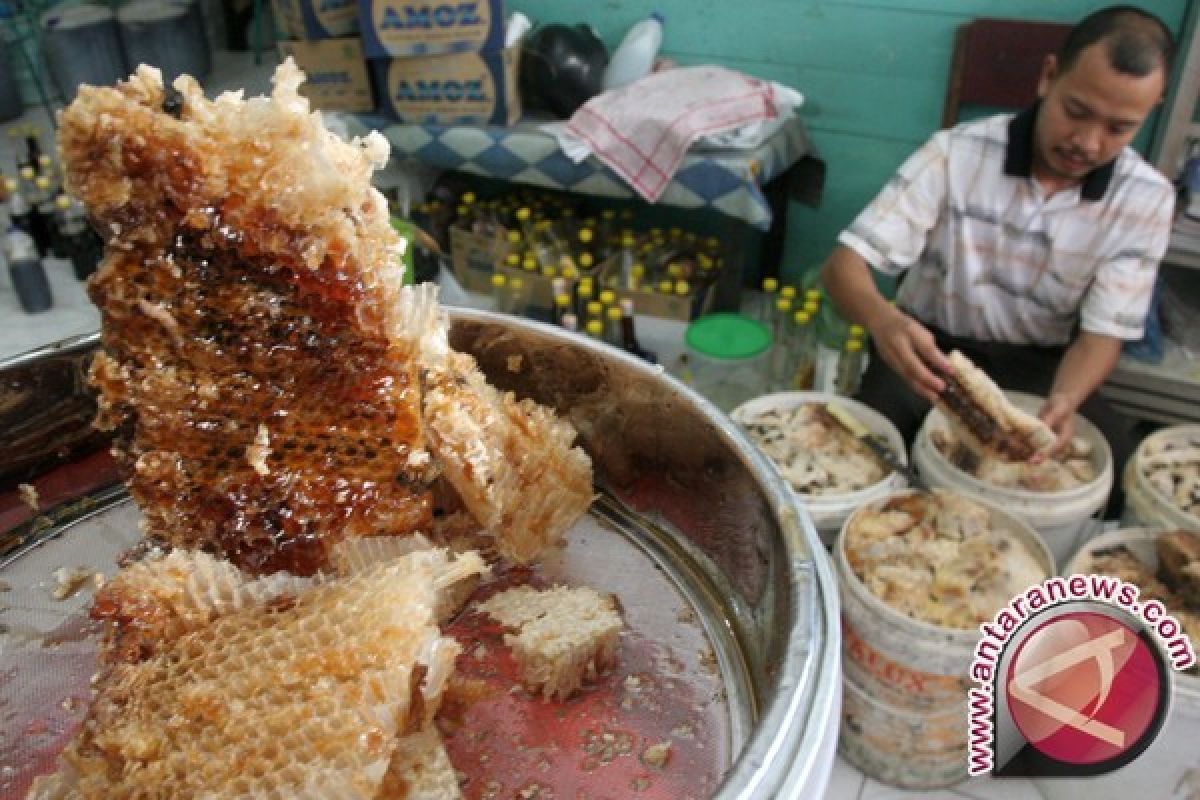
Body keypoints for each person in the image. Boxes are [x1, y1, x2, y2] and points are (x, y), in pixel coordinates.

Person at [820, 5, 1175, 513]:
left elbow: (1101, 336)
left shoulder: (1146, 198)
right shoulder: (956, 154)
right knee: (870, 454)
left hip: (1041, 367)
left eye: (1119, 128)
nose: (1088, 142)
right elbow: (844, 267)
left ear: (1151, 111)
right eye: (1076, 111)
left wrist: (1067, 398)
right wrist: (883, 319)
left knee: (1112, 466)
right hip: (929, 354)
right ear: (1048, 76)